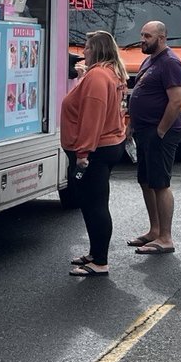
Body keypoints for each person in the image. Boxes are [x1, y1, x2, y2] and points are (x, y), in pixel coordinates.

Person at [62, 31, 128, 277]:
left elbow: (92, 118)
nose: (83, 52)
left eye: (88, 48)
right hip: (106, 146)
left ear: (97, 51)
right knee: (93, 203)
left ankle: (100, 261)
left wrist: (82, 153)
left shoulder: (98, 77)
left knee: (96, 204)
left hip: (95, 150)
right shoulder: (107, 73)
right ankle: (94, 253)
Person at [127, 20, 181, 256]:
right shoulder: (150, 60)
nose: (142, 39)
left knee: (160, 183)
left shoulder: (170, 62)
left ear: (161, 38)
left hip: (160, 131)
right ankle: (154, 230)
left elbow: (176, 101)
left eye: (147, 36)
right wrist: (132, 125)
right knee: (146, 180)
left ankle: (166, 238)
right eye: (142, 35)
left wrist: (161, 130)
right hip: (144, 130)